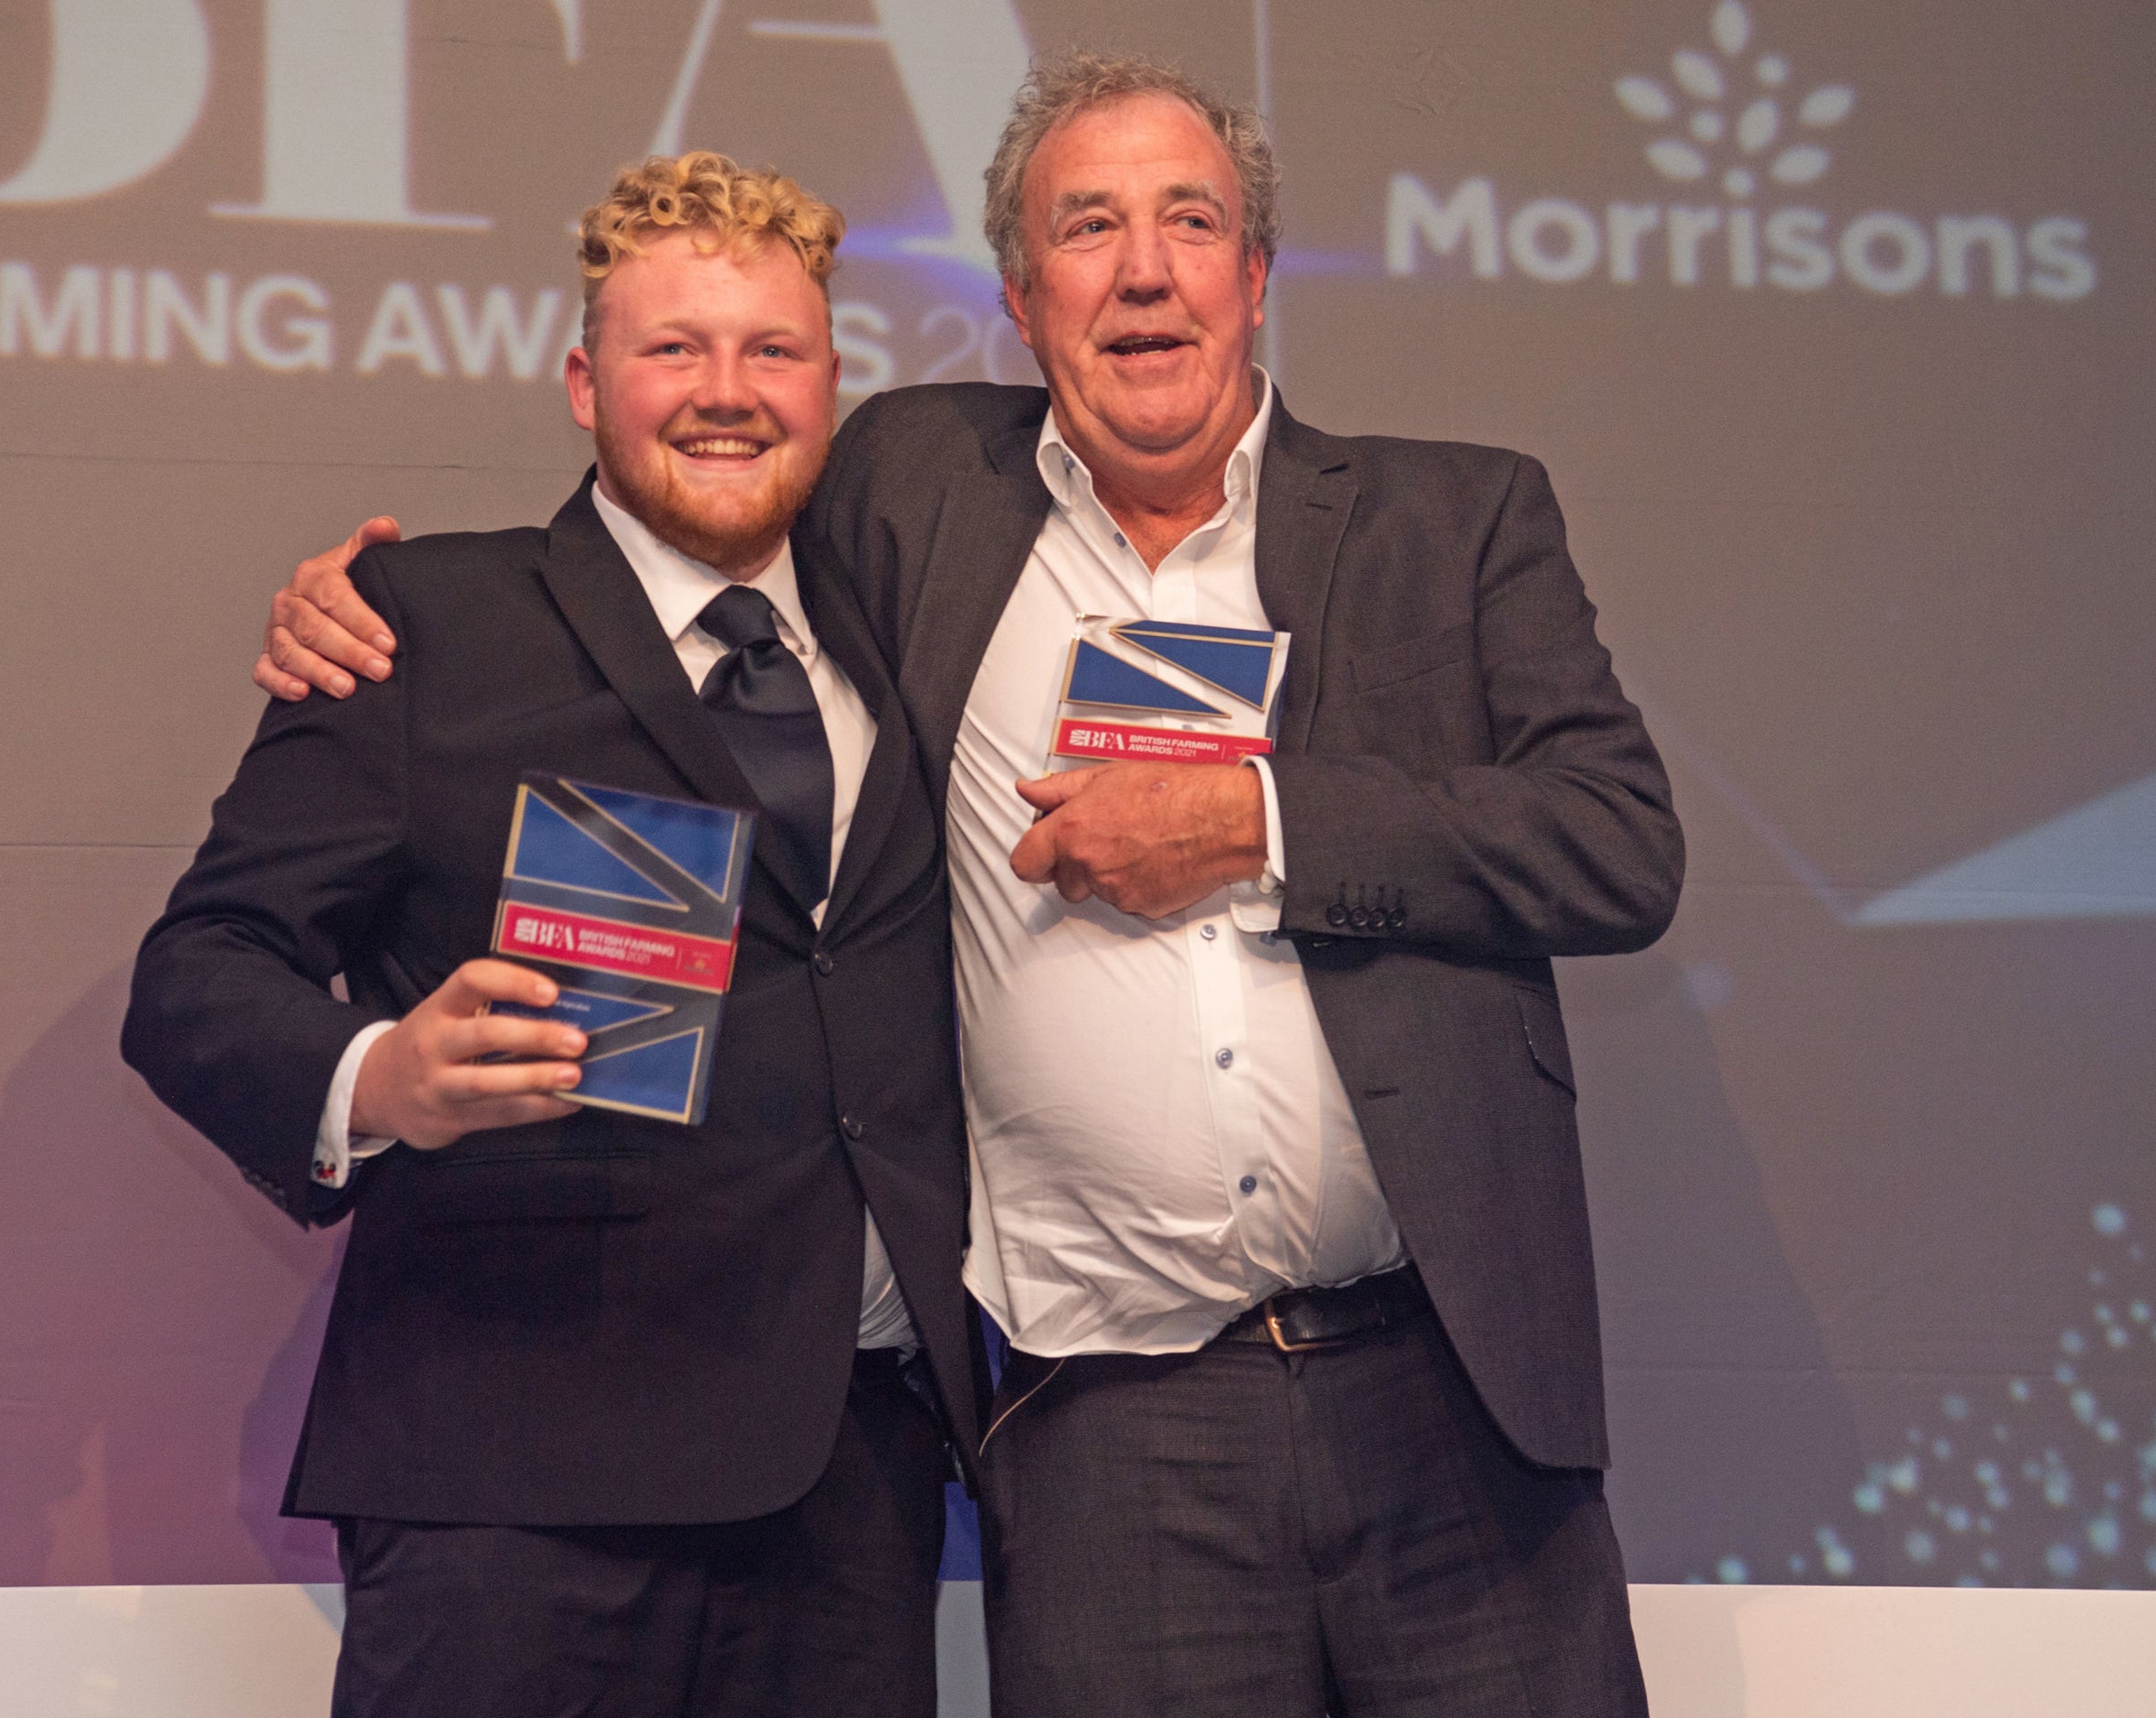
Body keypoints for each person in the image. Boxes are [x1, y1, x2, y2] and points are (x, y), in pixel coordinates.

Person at [261, 51, 1684, 1718]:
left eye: (1190, 222)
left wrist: (1260, 822)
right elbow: (670, 528)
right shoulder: (914, 495)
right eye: (1088, 227)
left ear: (1257, 275)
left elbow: (1618, 838)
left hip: (1443, 1397)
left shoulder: (1455, 520)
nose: (1143, 267)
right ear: (1020, 297)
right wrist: (368, 606)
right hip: (1110, 1435)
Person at [125, 152, 980, 1718]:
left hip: (850, 1487)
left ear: (835, 386)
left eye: (772, 351)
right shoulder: (421, 623)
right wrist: (375, 1080)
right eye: (674, 350)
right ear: (585, 384)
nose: (727, 392)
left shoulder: (909, 635)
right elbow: (196, 974)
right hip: (513, 1489)